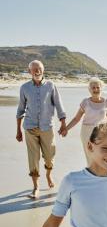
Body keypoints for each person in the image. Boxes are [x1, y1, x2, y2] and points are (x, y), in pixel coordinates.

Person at [16, 60, 67, 199]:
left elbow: (59, 105)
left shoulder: (51, 86)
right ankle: (36, 187)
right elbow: (20, 109)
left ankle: (48, 175)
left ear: (43, 70)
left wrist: (63, 123)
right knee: (33, 158)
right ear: (29, 72)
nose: (37, 71)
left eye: (39, 68)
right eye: (34, 69)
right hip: (30, 127)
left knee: (49, 156)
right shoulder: (24, 88)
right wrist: (18, 130)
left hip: (47, 127)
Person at [65, 78, 107, 162]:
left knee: (100, 155)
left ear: (101, 88)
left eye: (98, 87)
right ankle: (92, 173)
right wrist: (66, 128)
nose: (96, 89)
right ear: (89, 90)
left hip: (100, 132)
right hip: (86, 132)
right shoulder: (85, 102)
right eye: (93, 88)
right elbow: (76, 118)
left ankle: (100, 173)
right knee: (90, 156)